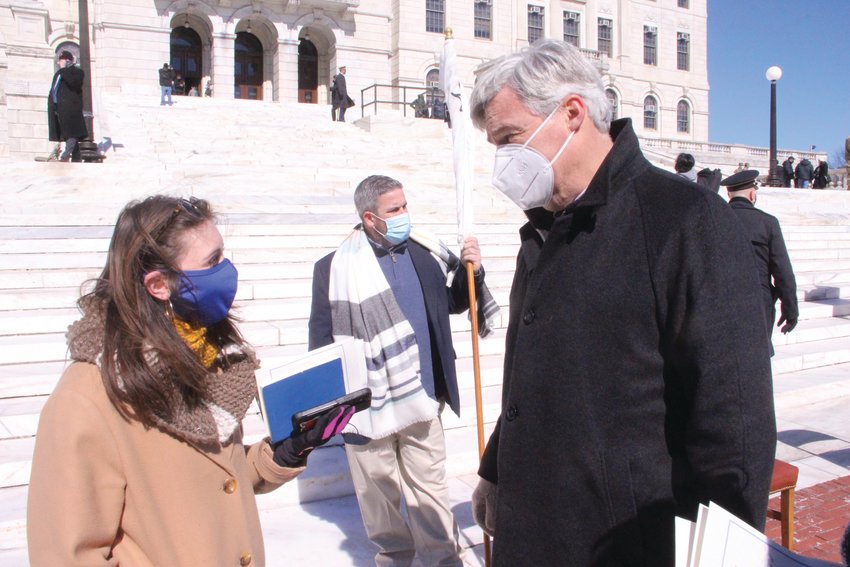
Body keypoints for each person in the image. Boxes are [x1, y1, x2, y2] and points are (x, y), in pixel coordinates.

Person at [467, 39, 776, 566]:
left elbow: (733, 418)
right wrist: (497, 470)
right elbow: (528, 373)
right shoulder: (545, 229)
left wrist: (724, 552)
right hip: (537, 529)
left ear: (571, 114)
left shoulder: (685, 220)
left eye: (510, 138)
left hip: (626, 541)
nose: (503, 160)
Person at [27, 195, 353, 566]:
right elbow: (66, 555)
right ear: (159, 285)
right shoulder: (89, 396)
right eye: (212, 261)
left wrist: (285, 452)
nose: (227, 270)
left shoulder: (211, 356)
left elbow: (217, 479)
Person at [308, 174, 487, 566]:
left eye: (405, 205)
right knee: (379, 502)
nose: (405, 215)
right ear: (370, 218)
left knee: (431, 494)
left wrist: (472, 273)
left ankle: (444, 560)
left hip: (423, 398)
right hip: (367, 408)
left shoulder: (424, 253)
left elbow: (451, 305)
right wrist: (331, 408)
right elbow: (321, 341)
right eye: (396, 209)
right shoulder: (333, 268)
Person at [722, 170, 798, 355]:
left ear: (729, 194)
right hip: (758, 301)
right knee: (757, 359)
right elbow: (782, 272)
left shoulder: (714, 220)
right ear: (752, 194)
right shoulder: (767, 223)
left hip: (720, 300)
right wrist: (790, 309)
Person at [47, 50, 87, 162]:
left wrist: (64, 69)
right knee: (68, 132)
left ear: (67, 60)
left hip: (72, 109)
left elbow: (74, 83)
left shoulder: (77, 72)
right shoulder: (59, 73)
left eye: (61, 60)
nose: (59, 63)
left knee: (72, 132)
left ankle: (65, 155)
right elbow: (54, 90)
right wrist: (53, 105)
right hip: (60, 108)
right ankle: (76, 157)